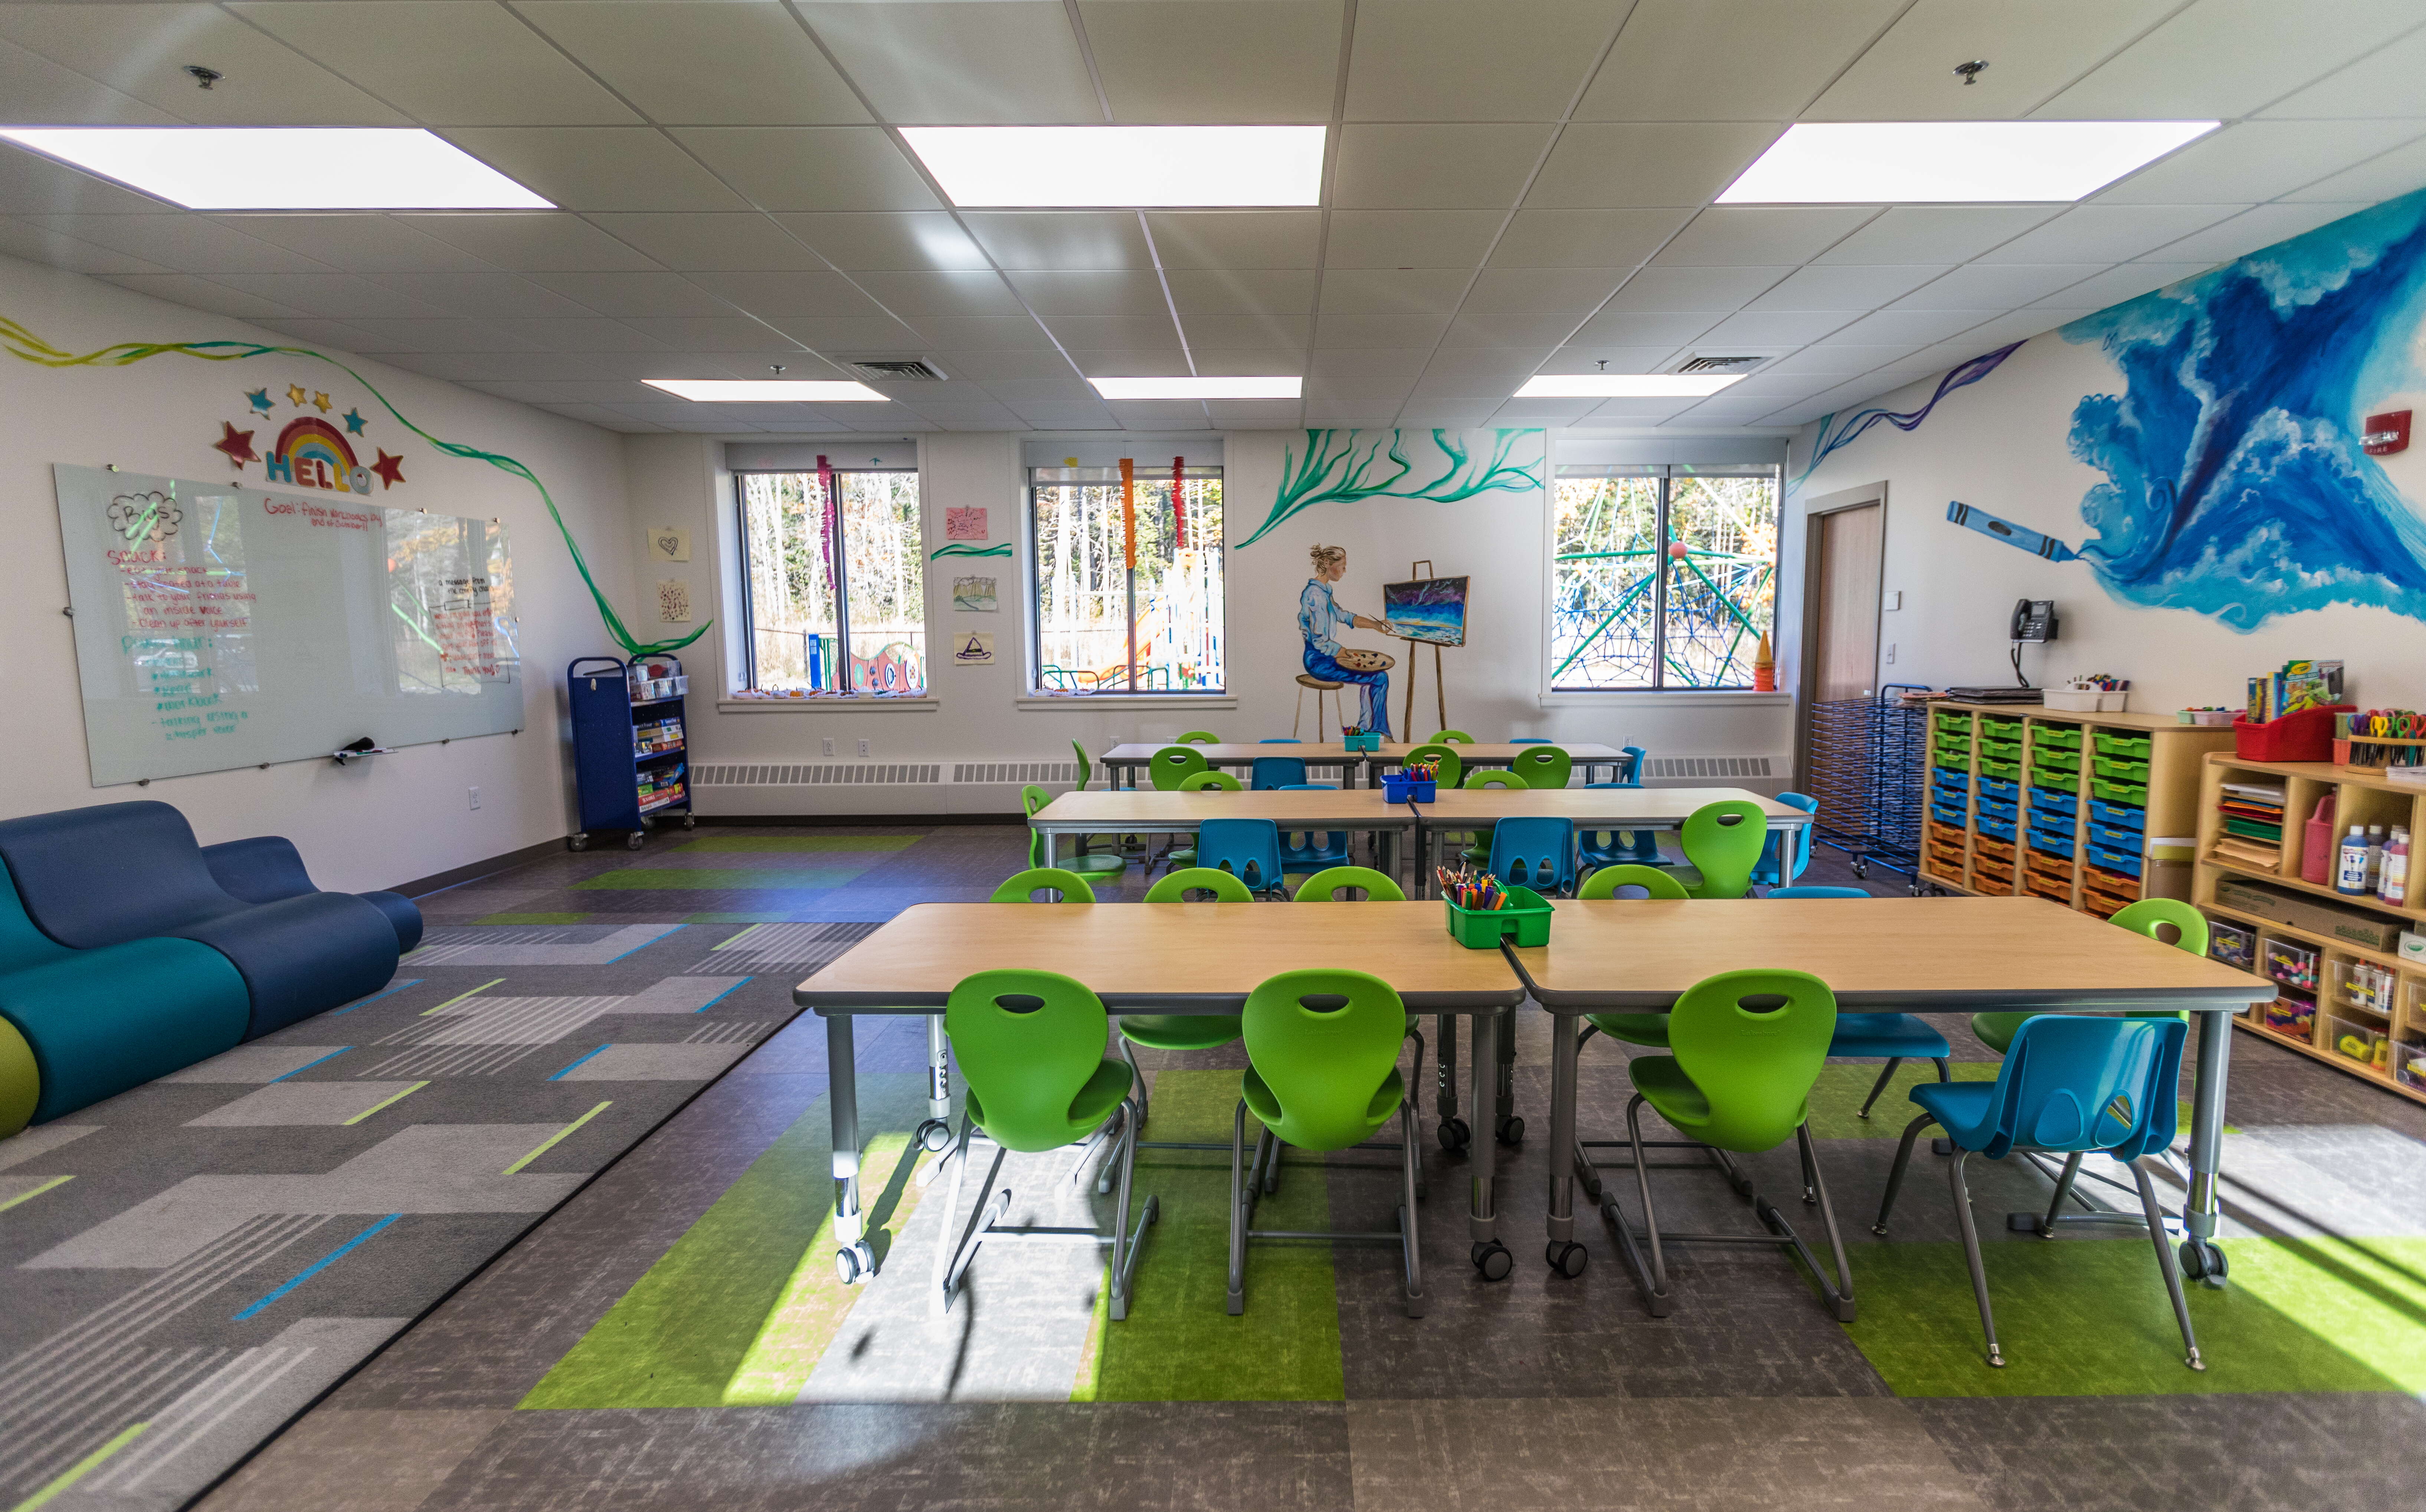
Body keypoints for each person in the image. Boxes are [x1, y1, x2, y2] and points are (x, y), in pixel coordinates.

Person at [1299, 544, 1392, 738]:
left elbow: (1344, 616)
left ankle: (1368, 729)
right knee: (1380, 678)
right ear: (1327, 564)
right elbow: (1319, 641)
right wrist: (1344, 653)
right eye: (1342, 566)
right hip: (1319, 661)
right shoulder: (1315, 595)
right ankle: (1376, 731)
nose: (1344, 571)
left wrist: (1375, 625)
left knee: (1376, 676)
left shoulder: (1324, 591)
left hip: (1326, 657)